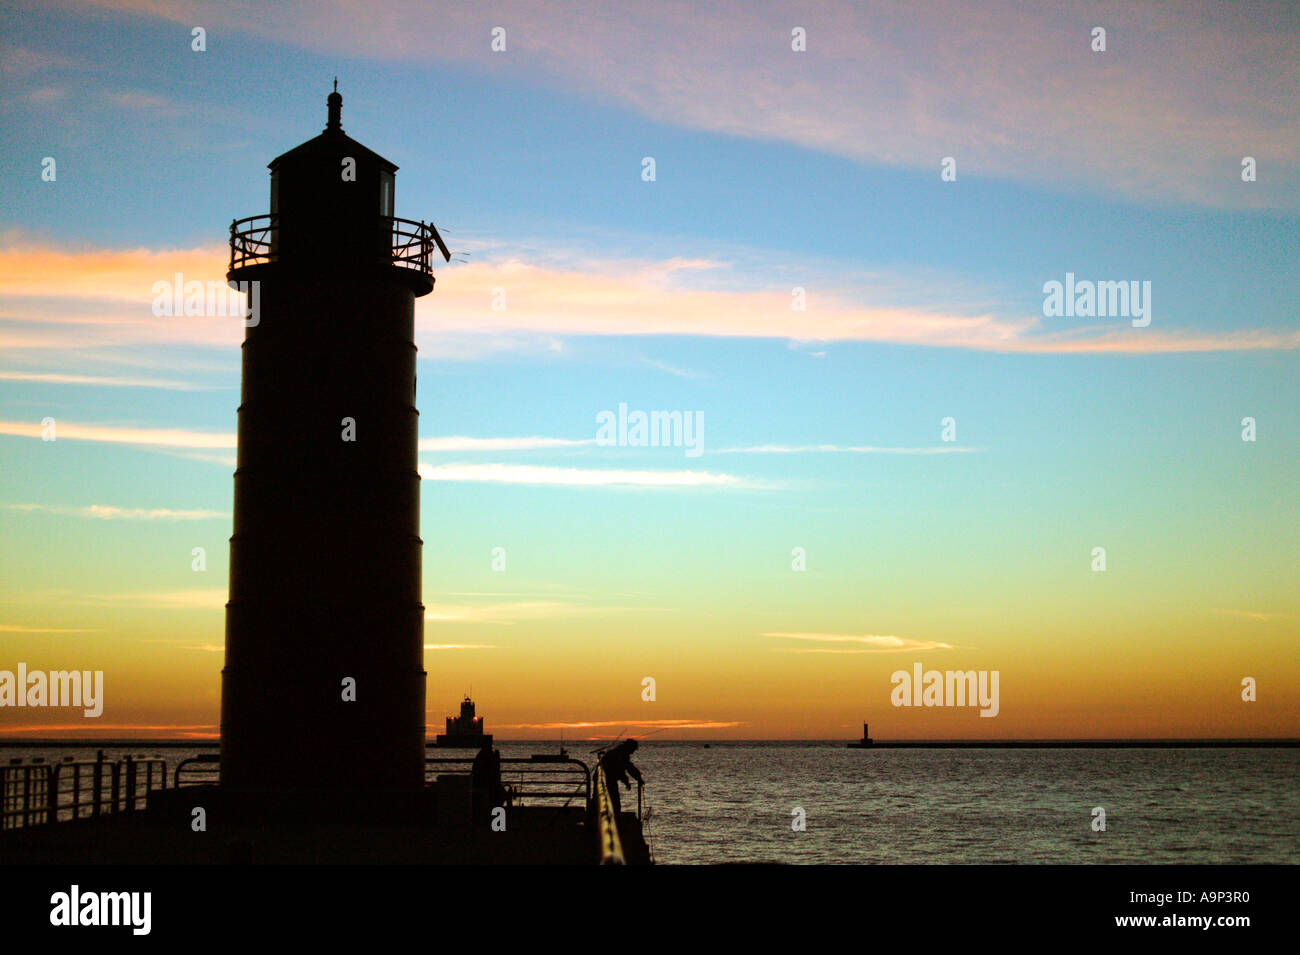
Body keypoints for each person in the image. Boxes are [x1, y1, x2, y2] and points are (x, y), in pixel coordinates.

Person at [598, 738, 642, 817]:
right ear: (629, 748)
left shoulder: (618, 752)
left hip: (604, 778)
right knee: (614, 802)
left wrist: (633, 778)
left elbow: (625, 768)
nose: (633, 752)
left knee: (601, 799)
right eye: (633, 749)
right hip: (608, 779)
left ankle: (601, 816)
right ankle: (613, 819)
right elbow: (625, 768)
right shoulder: (621, 754)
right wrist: (634, 779)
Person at [470, 739, 503, 827]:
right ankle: (498, 824)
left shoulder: (480, 756)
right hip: (486, 785)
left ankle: (494, 822)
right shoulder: (488, 756)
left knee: (496, 796)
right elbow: (494, 772)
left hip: (480, 784)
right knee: (497, 796)